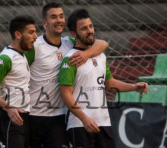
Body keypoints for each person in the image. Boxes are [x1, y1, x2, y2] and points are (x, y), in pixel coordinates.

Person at [59, 9, 149, 148]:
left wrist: (134, 87)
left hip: (103, 123)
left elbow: (110, 83)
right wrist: (84, 119)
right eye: (83, 28)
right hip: (80, 125)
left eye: (91, 26)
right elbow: (65, 94)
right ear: (73, 34)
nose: (89, 31)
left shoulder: (100, 55)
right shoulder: (70, 59)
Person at [23, 2, 108, 148]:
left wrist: (87, 54)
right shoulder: (35, 47)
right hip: (33, 115)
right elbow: (16, 69)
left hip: (58, 117)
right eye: (54, 17)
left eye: (61, 16)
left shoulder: (69, 43)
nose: (59, 20)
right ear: (45, 22)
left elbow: (102, 43)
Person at [0, 15, 37, 148]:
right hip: (10, 118)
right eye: (31, 32)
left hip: (24, 117)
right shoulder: (6, 58)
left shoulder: (22, 55)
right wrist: (8, 108)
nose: (35, 36)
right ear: (18, 34)